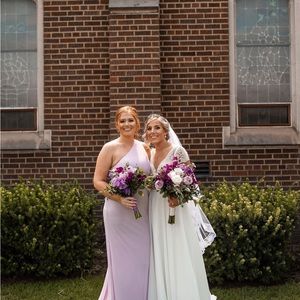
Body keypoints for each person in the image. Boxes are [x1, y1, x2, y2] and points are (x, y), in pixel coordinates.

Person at [144, 114, 217, 300]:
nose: (153, 131)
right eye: (149, 128)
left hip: (175, 207)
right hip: (155, 206)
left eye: (157, 127)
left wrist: (178, 198)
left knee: (177, 247)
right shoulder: (149, 153)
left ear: (165, 132)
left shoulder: (178, 150)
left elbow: (190, 182)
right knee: (159, 247)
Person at [93, 106, 151, 300]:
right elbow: (98, 181)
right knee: (122, 261)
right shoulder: (109, 148)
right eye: (123, 121)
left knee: (143, 259)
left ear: (137, 124)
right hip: (118, 212)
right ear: (117, 124)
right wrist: (119, 197)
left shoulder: (145, 147)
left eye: (131, 120)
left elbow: (150, 177)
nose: (127, 124)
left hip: (142, 211)